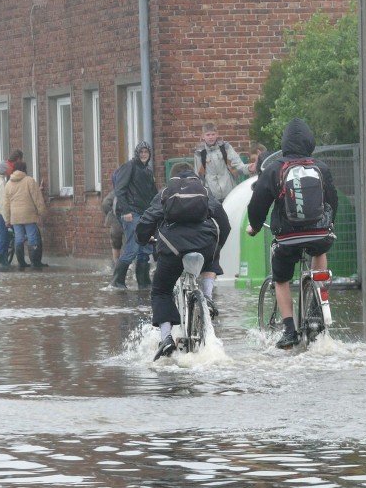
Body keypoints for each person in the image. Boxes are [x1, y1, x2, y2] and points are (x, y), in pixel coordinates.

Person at [245, 118, 338, 349]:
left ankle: (289, 330)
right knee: (320, 249)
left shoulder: (275, 168)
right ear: (310, 142)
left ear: (284, 143)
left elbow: (258, 205)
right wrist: (328, 224)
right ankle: (317, 302)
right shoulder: (321, 168)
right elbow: (333, 200)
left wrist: (254, 227)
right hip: (319, 234)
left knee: (282, 279)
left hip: (288, 238)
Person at [136, 162, 231, 359]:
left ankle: (166, 337)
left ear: (172, 178)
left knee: (161, 291)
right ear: (194, 176)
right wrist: (216, 247)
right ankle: (206, 296)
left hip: (173, 248)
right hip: (205, 246)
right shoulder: (204, 191)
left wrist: (143, 239)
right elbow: (224, 224)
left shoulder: (166, 192)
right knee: (214, 250)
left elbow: (147, 221)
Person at [111, 141, 158, 290]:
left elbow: (153, 193)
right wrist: (126, 211)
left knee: (145, 247)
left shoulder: (148, 171)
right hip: (132, 212)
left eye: (146, 152)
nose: (144, 155)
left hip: (146, 213)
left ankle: (143, 282)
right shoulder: (129, 166)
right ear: (137, 153)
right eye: (141, 152)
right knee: (133, 246)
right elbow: (119, 189)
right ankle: (117, 282)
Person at [3, 160, 47, 270]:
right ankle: (34, 262)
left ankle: (21, 263)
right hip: (28, 214)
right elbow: (37, 198)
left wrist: (7, 219)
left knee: (19, 238)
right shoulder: (29, 181)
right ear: (24, 169)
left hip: (15, 216)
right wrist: (42, 211)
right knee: (32, 237)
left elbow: (5, 204)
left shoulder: (8, 184)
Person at [194, 122, 255, 202]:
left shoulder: (225, 148)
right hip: (212, 195)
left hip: (229, 191)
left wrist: (249, 168)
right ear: (203, 136)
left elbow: (238, 166)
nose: (211, 137)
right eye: (208, 135)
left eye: (213, 134)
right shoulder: (200, 153)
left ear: (217, 134)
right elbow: (199, 175)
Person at [101, 188, 123, 264]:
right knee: (129, 244)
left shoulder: (115, 192)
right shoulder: (133, 191)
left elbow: (105, 203)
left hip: (116, 223)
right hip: (129, 222)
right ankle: (128, 267)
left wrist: (111, 215)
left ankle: (116, 264)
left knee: (116, 244)